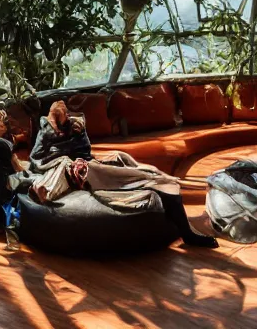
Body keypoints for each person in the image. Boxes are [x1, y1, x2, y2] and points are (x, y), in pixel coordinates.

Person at [28, 100, 216, 248]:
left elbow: (85, 152)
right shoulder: (46, 133)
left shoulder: (74, 127)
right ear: (53, 116)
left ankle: (186, 231)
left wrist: (78, 134)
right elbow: (35, 158)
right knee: (82, 167)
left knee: (119, 156)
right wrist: (53, 137)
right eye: (62, 113)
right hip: (79, 171)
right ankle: (146, 179)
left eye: (66, 111)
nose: (67, 115)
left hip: (87, 163)